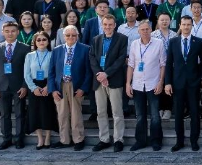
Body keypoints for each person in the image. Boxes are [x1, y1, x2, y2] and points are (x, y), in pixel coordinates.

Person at [164, 16, 202, 151]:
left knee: (194, 112)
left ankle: (194, 140)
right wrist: (167, 82)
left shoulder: (198, 42)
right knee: (178, 114)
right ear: (180, 26)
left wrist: (201, 78)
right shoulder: (173, 41)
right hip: (177, 83)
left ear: (192, 26)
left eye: (189, 24)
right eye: (184, 24)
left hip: (193, 83)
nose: (186, 27)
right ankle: (179, 141)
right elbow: (168, 63)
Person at [89, 14, 128, 152]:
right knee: (101, 112)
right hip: (99, 80)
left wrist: (107, 74)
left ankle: (118, 139)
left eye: (110, 24)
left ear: (115, 25)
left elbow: (121, 59)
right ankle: (104, 139)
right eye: (105, 24)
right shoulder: (96, 39)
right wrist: (100, 74)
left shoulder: (122, 39)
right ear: (102, 25)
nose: (108, 27)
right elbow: (92, 58)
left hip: (114, 79)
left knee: (117, 112)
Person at [125, 20, 166, 151]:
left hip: (153, 84)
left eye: (147, 29)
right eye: (142, 29)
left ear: (151, 30)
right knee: (140, 115)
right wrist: (128, 83)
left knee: (155, 115)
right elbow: (131, 65)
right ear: (138, 31)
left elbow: (163, 64)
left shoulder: (159, 43)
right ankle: (140, 141)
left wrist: (161, 82)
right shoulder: (134, 44)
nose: (145, 32)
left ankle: (156, 140)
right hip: (137, 84)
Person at [48, 25, 91, 150]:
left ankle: (78, 140)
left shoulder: (85, 49)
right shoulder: (57, 50)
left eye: (73, 35)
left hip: (76, 86)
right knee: (62, 114)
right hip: (60, 86)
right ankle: (64, 140)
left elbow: (89, 72)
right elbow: (51, 72)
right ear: (63, 36)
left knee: (76, 114)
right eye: (68, 35)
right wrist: (53, 89)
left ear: (77, 36)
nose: (70, 37)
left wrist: (83, 88)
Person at [0, 20, 30, 149]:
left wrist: (25, 86)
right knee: (4, 115)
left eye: (13, 31)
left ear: (17, 32)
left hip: (19, 86)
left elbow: (27, 69)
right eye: (7, 31)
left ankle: (19, 139)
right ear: (3, 32)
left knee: (20, 114)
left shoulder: (25, 48)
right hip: (2, 86)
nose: (10, 33)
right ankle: (6, 139)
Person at [24, 31, 59, 149]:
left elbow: (55, 72)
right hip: (34, 86)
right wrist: (33, 88)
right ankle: (40, 138)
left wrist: (49, 86)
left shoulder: (52, 54)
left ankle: (48, 137)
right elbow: (26, 74)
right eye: (38, 40)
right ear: (35, 42)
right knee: (35, 112)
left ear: (48, 41)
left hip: (48, 84)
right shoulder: (29, 56)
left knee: (48, 111)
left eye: (44, 39)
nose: (41, 42)